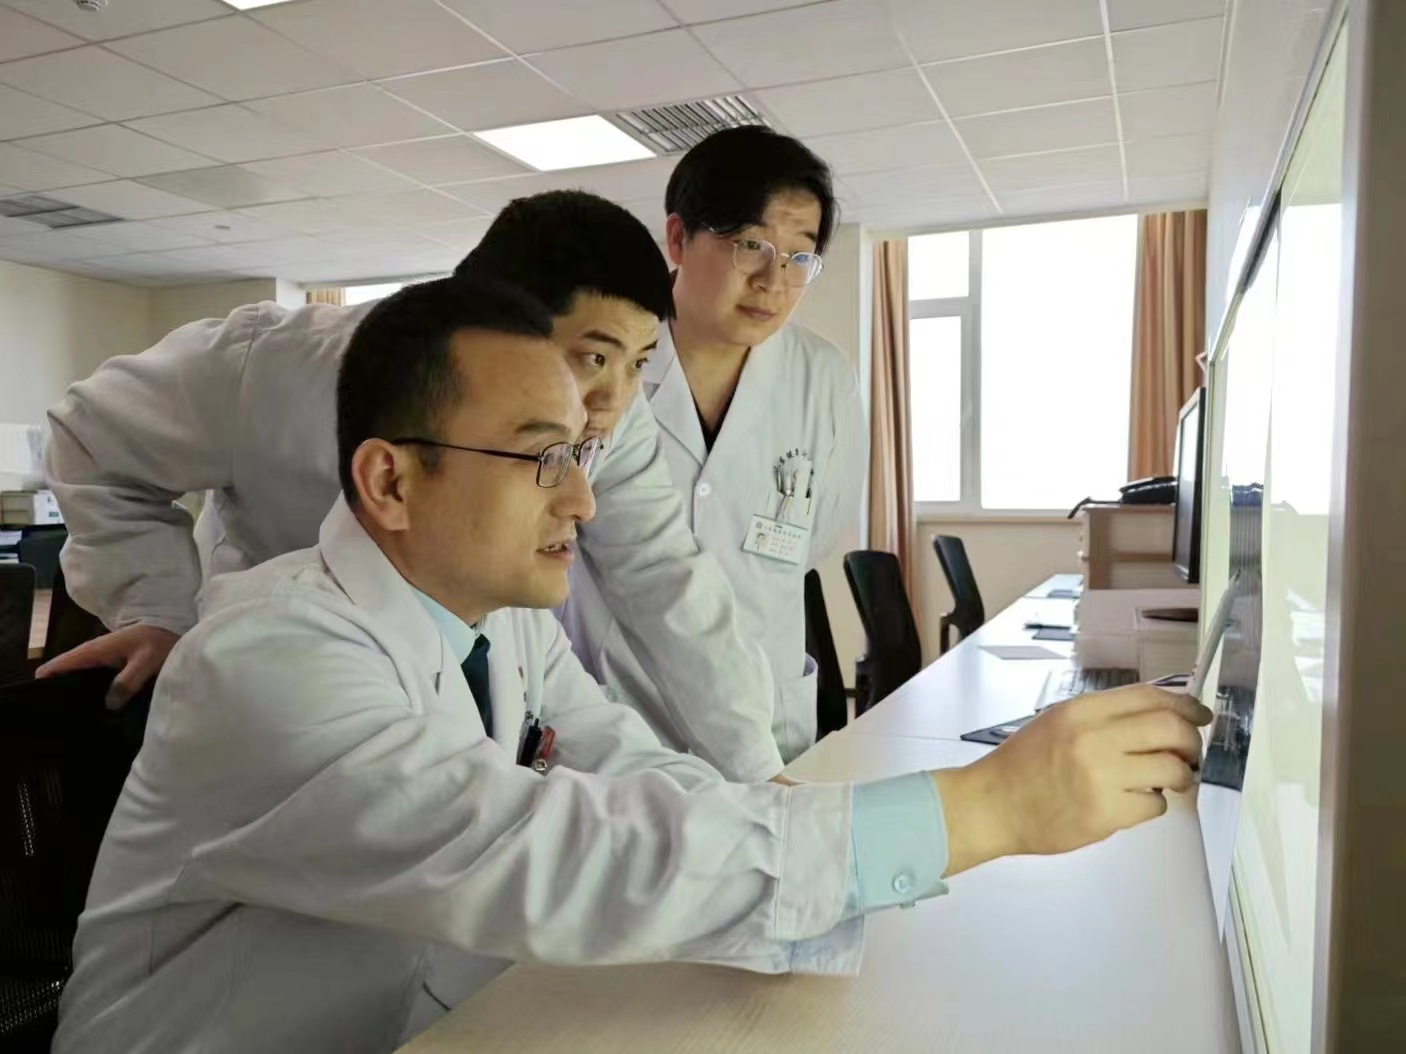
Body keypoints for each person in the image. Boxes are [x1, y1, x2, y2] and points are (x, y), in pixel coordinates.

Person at [53, 277, 1212, 1054]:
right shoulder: (269, 663)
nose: (583, 500)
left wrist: (815, 840)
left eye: (582, 452)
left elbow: (621, 759)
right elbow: (550, 849)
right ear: (390, 481)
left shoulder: (496, 617)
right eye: (539, 459)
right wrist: (978, 811)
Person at [41, 190, 785, 782]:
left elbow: (665, 578)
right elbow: (91, 440)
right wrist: (158, 610)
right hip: (285, 685)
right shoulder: (273, 369)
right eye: (593, 357)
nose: (612, 403)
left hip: (433, 684)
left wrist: (761, 780)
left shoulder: (603, 421)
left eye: (639, 364)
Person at [564, 127, 861, 763]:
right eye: (751, 245)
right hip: (621, 721)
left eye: (800, 257)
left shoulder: (824, 377)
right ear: (678, 239)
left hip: (769, 717)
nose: (774, 281)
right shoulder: (603, 364)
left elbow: (818, 535)